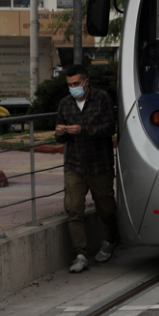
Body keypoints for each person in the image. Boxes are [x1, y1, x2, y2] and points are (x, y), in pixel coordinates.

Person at [55, 64, 119, 273]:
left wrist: (84, 130)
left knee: (106, 209)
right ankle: (80, 254)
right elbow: (58, 137)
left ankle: (110, 240)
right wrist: (61, 132)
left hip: (99, 165)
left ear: (86, 82)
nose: (73, 88)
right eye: (70, 85)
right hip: (74, 165)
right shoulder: (65, 104)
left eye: (76, 84)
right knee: (74, 209)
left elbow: (110, 128)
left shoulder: (102, 99)